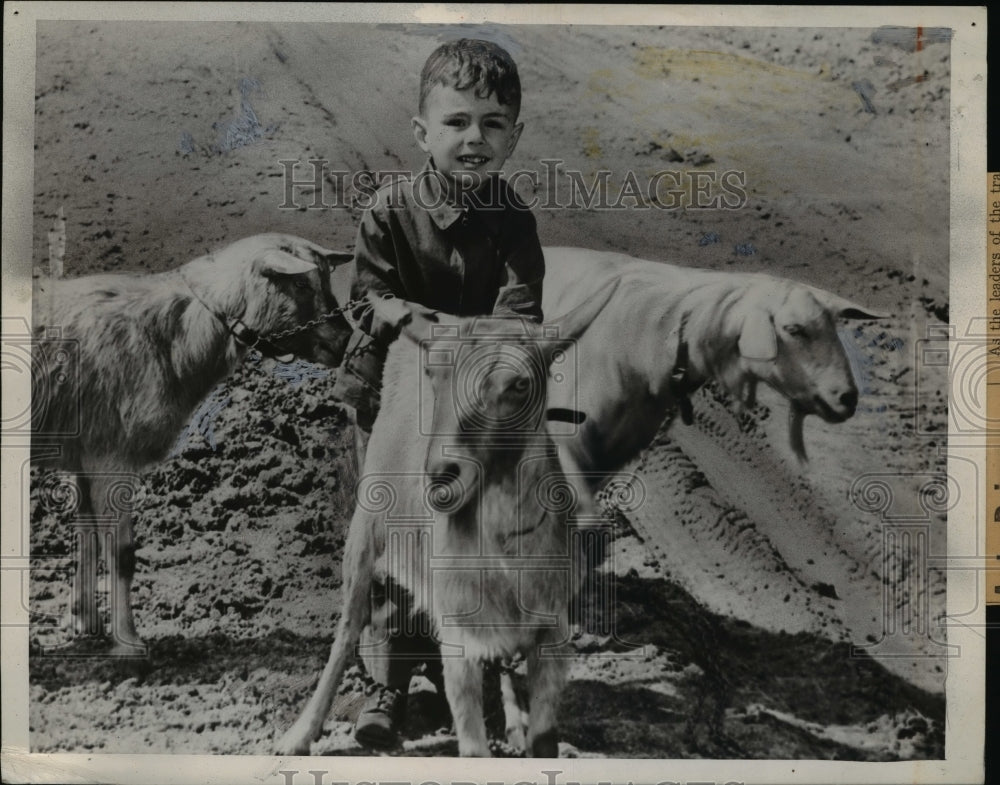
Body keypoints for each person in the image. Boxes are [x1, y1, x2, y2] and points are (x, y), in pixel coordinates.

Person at [331, 37, 545, 749]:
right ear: (423, 132)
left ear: (515, 135)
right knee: (391, 533)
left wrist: (481, 344)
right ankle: (384, 679)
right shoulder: (390, 211)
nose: (473, 140)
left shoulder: (513, 223)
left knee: (465, 527)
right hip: (391, 397)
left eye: (491, 123)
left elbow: (521, 315)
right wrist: (408, 319)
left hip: (467, 408)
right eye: (455, 123)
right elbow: (366, 297)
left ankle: (471, 662)